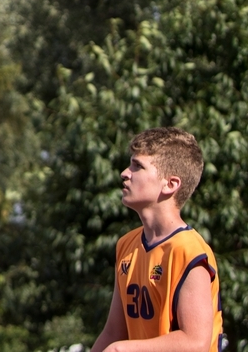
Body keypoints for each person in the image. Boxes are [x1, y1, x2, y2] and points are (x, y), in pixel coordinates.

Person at [89, 128, 224, 352]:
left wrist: (122, 350)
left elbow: (196, 343)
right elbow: (114, 332)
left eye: (137, 166)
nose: (125, 173)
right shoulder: (126, 245)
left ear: (170, 184)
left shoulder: (189, 250)